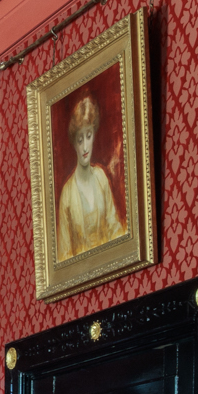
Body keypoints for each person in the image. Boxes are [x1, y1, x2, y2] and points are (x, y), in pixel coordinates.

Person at [53, 87, 126, 264]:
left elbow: (115, 228)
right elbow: (64, 253)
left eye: (88, 136)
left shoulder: (101, 177)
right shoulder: (67, 195)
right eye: (80, 139)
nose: (85, 147)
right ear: (74, 143)